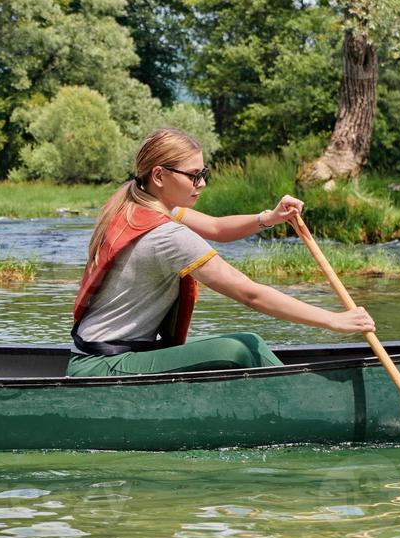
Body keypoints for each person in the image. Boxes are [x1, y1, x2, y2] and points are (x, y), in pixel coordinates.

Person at [68, 128, 375, 377]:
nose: (201, 183)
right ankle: (306, 402)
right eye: (193, 176)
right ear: (159, 175)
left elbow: (216, 228)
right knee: (242, 347)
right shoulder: (167, 235)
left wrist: (268, 218)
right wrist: (334, 320)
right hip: (103, 367)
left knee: (243, 345)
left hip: (98, 359)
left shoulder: (135, 205)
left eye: (204, 173)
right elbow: (250, 295)